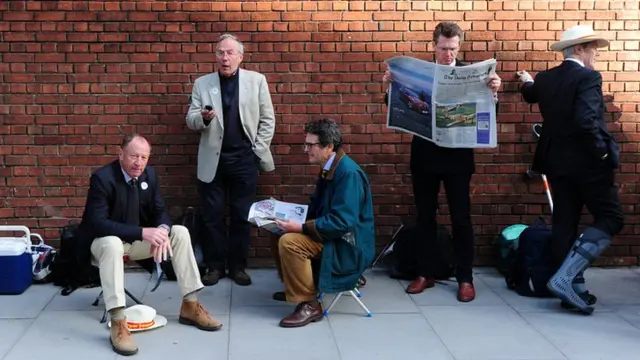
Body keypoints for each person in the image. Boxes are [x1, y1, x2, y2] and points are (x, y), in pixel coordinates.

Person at [382, 22, 502, 302]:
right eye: (443, 48)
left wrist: (493, 93)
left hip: (458, 158)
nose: (448, 54)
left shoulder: (473, 74)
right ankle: (425, 272)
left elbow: (487, 113)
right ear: (434, 46)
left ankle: (465, 278)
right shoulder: (421, 74)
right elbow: (396, 108)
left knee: (461, 218)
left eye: (453, 49)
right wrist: (388, 87)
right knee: (425, 217)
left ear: (459, 46)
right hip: (425, 156)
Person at [77, 134, 222, 356]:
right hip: (103, 245)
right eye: (134, 156)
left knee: (180, 232)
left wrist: (162, 232)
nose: (139, 162)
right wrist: (143, 232)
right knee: (112, 244)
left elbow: (160, 210)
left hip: (137, 241)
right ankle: (118, 320)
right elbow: (97, 224)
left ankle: (190, 306)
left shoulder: (149, 175)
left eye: (144, 157)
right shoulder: (102, 178)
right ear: (121, 155)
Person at [517, 25, 624, 314]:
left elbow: (530, 94)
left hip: (556, 163)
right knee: (612, 217)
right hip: (588, 164)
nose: (596, 55)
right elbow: (585, 120)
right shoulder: (589, 77)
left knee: (564, 224)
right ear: (579, 49)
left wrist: (525, 80)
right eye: (593, 50)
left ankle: (570, 291)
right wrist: (602, 153)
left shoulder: (546, 78)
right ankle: (566, 278)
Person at [186, 33, 276, 286]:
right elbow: (190, 119)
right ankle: (214, 267)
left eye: (229, 53)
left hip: (244, 160)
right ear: (215, 56)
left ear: (240, 56)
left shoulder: (256, 81)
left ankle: (238, 266)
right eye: (220, 53)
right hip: (212, 161)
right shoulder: (202, 84)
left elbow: (268, 120)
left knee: (241, 215)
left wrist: (257, 150)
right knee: (211, 215)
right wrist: (203, 118)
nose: (224, 58)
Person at [269, 119, 375, 328]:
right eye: (306, 144)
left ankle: (310, 303)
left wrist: (299, 227)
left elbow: (343, 222)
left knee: (290, 241)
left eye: (311, 145)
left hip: (347, 246)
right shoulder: (329, 167)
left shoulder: (348, 174)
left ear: (328, 146)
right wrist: (280, 211)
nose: (306, 149)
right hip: (334, 236)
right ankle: (296, 288)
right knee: (277, 230)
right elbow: (317, 209)